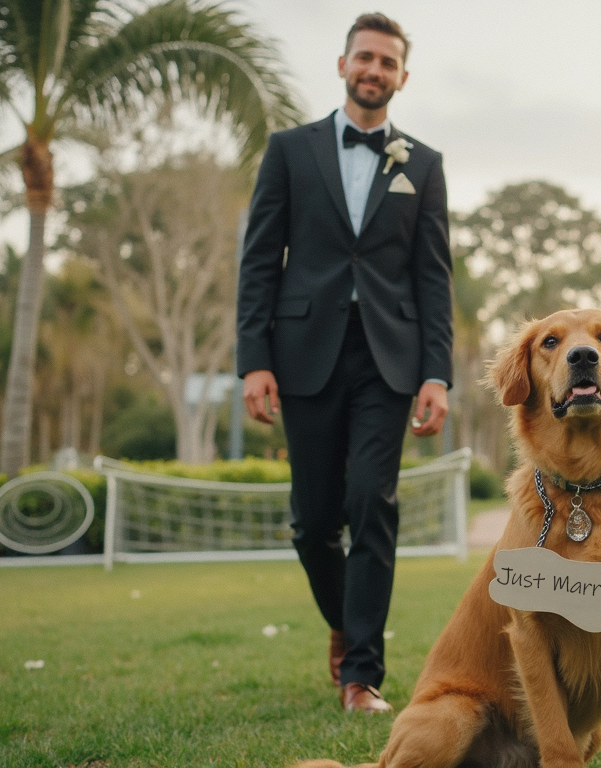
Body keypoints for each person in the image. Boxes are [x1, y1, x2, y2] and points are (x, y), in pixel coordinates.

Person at [237, 12, 452, 714]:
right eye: (365, 58)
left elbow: (432, 277)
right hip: (303, 354)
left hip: (389, 359)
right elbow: (260, 260)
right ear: (342, 65)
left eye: (387, 63)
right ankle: (344, 622)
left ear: (402, 77)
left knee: (372, 502)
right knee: (313, 520)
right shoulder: (289, 151)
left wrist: (436, 373)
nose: (374, 71)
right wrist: (254, 359)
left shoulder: (423, 164)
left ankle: (361, 674)